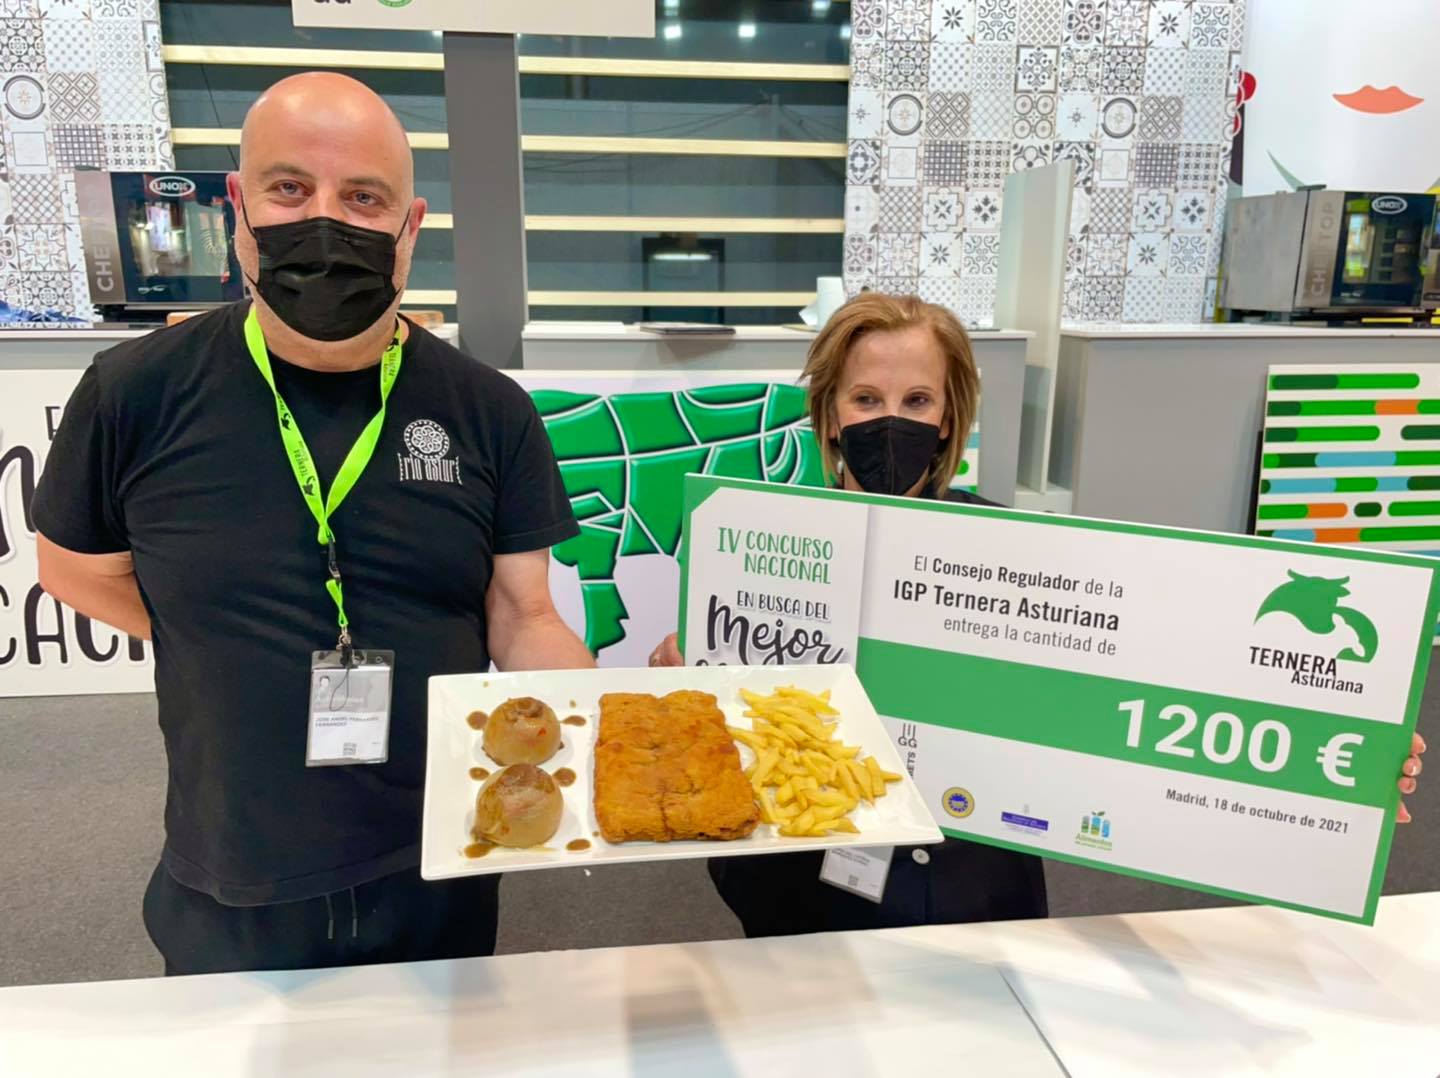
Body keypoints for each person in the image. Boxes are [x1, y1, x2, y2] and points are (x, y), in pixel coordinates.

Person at [33, 73, 595, 975]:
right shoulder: (133, 392)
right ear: (238, 205)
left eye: (363, 198)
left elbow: (524, 614)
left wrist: (619, 723)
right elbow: (73, 570)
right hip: (234, 869)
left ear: (410, 226)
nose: (325, 222)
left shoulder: (489, 411)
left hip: (436, 855)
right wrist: (218, 637)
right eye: (290, 188)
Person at [650, 292, 1427, 935]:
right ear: (829, 416)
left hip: (975, 893)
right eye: (866, 399)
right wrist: (679, 688)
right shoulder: (756, 550)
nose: (893, 421)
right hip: (806, 894)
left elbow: (1155, 681)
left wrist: (1340, 756)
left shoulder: (1021, 554)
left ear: (949, 418)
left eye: (917, 400)